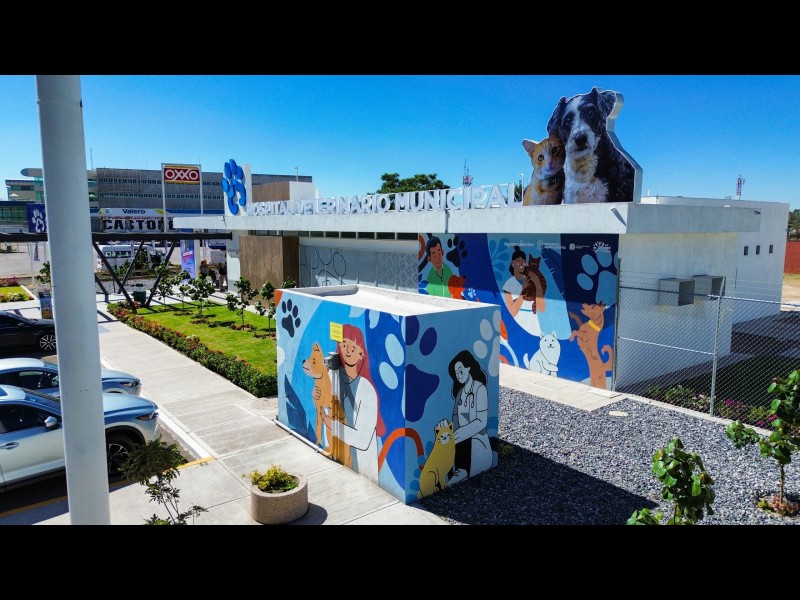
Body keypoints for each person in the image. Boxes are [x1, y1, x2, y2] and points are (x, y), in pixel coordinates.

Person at [320, 324, 383, 483]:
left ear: (361, 354)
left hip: (361, 467)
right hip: (337, 455)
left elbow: (362, 440)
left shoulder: (367, 389)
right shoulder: (332, 374)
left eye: (353, 348)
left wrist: (331, 424)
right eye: (344, 344)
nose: (347, 350)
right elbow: (326, 405)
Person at [444, 350, 493, 485]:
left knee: (461, 439)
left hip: (477, 439)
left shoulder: (479, 389)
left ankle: (462, 470)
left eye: (461, 371)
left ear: (468, 367)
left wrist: (461, 433)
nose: (458, 375)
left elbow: (481, 422)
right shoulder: (460, 392)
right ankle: (454, 472)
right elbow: (455, 419)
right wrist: (449, 432)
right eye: (456, 373)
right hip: (461, 439)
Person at [502, 245, 547, 337]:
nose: (521, 264)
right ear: (513, 263)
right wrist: (523, 292)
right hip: (517, 327)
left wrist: (537, 282)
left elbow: (542, 309)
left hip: (534, 327)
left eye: (523, 261)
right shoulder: (509, 285)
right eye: (518, 261)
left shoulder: (532, 279)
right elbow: (512, 312)